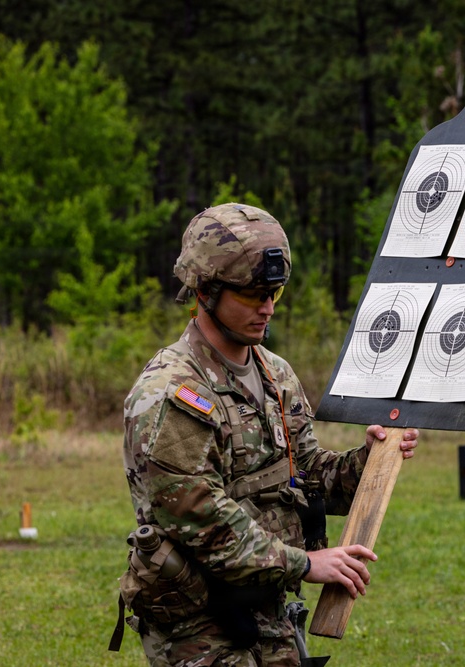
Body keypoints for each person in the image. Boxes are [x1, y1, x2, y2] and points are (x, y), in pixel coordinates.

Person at [114, 202, 418, 667]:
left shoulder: (275, 374)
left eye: (275, 292)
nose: (268, 307)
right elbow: (203, 522)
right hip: (197, 621)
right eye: (254, 294)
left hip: (267, 605)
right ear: (206, 290)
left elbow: (308, 477)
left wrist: (371, 459)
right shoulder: (169, 393)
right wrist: (307, 564)